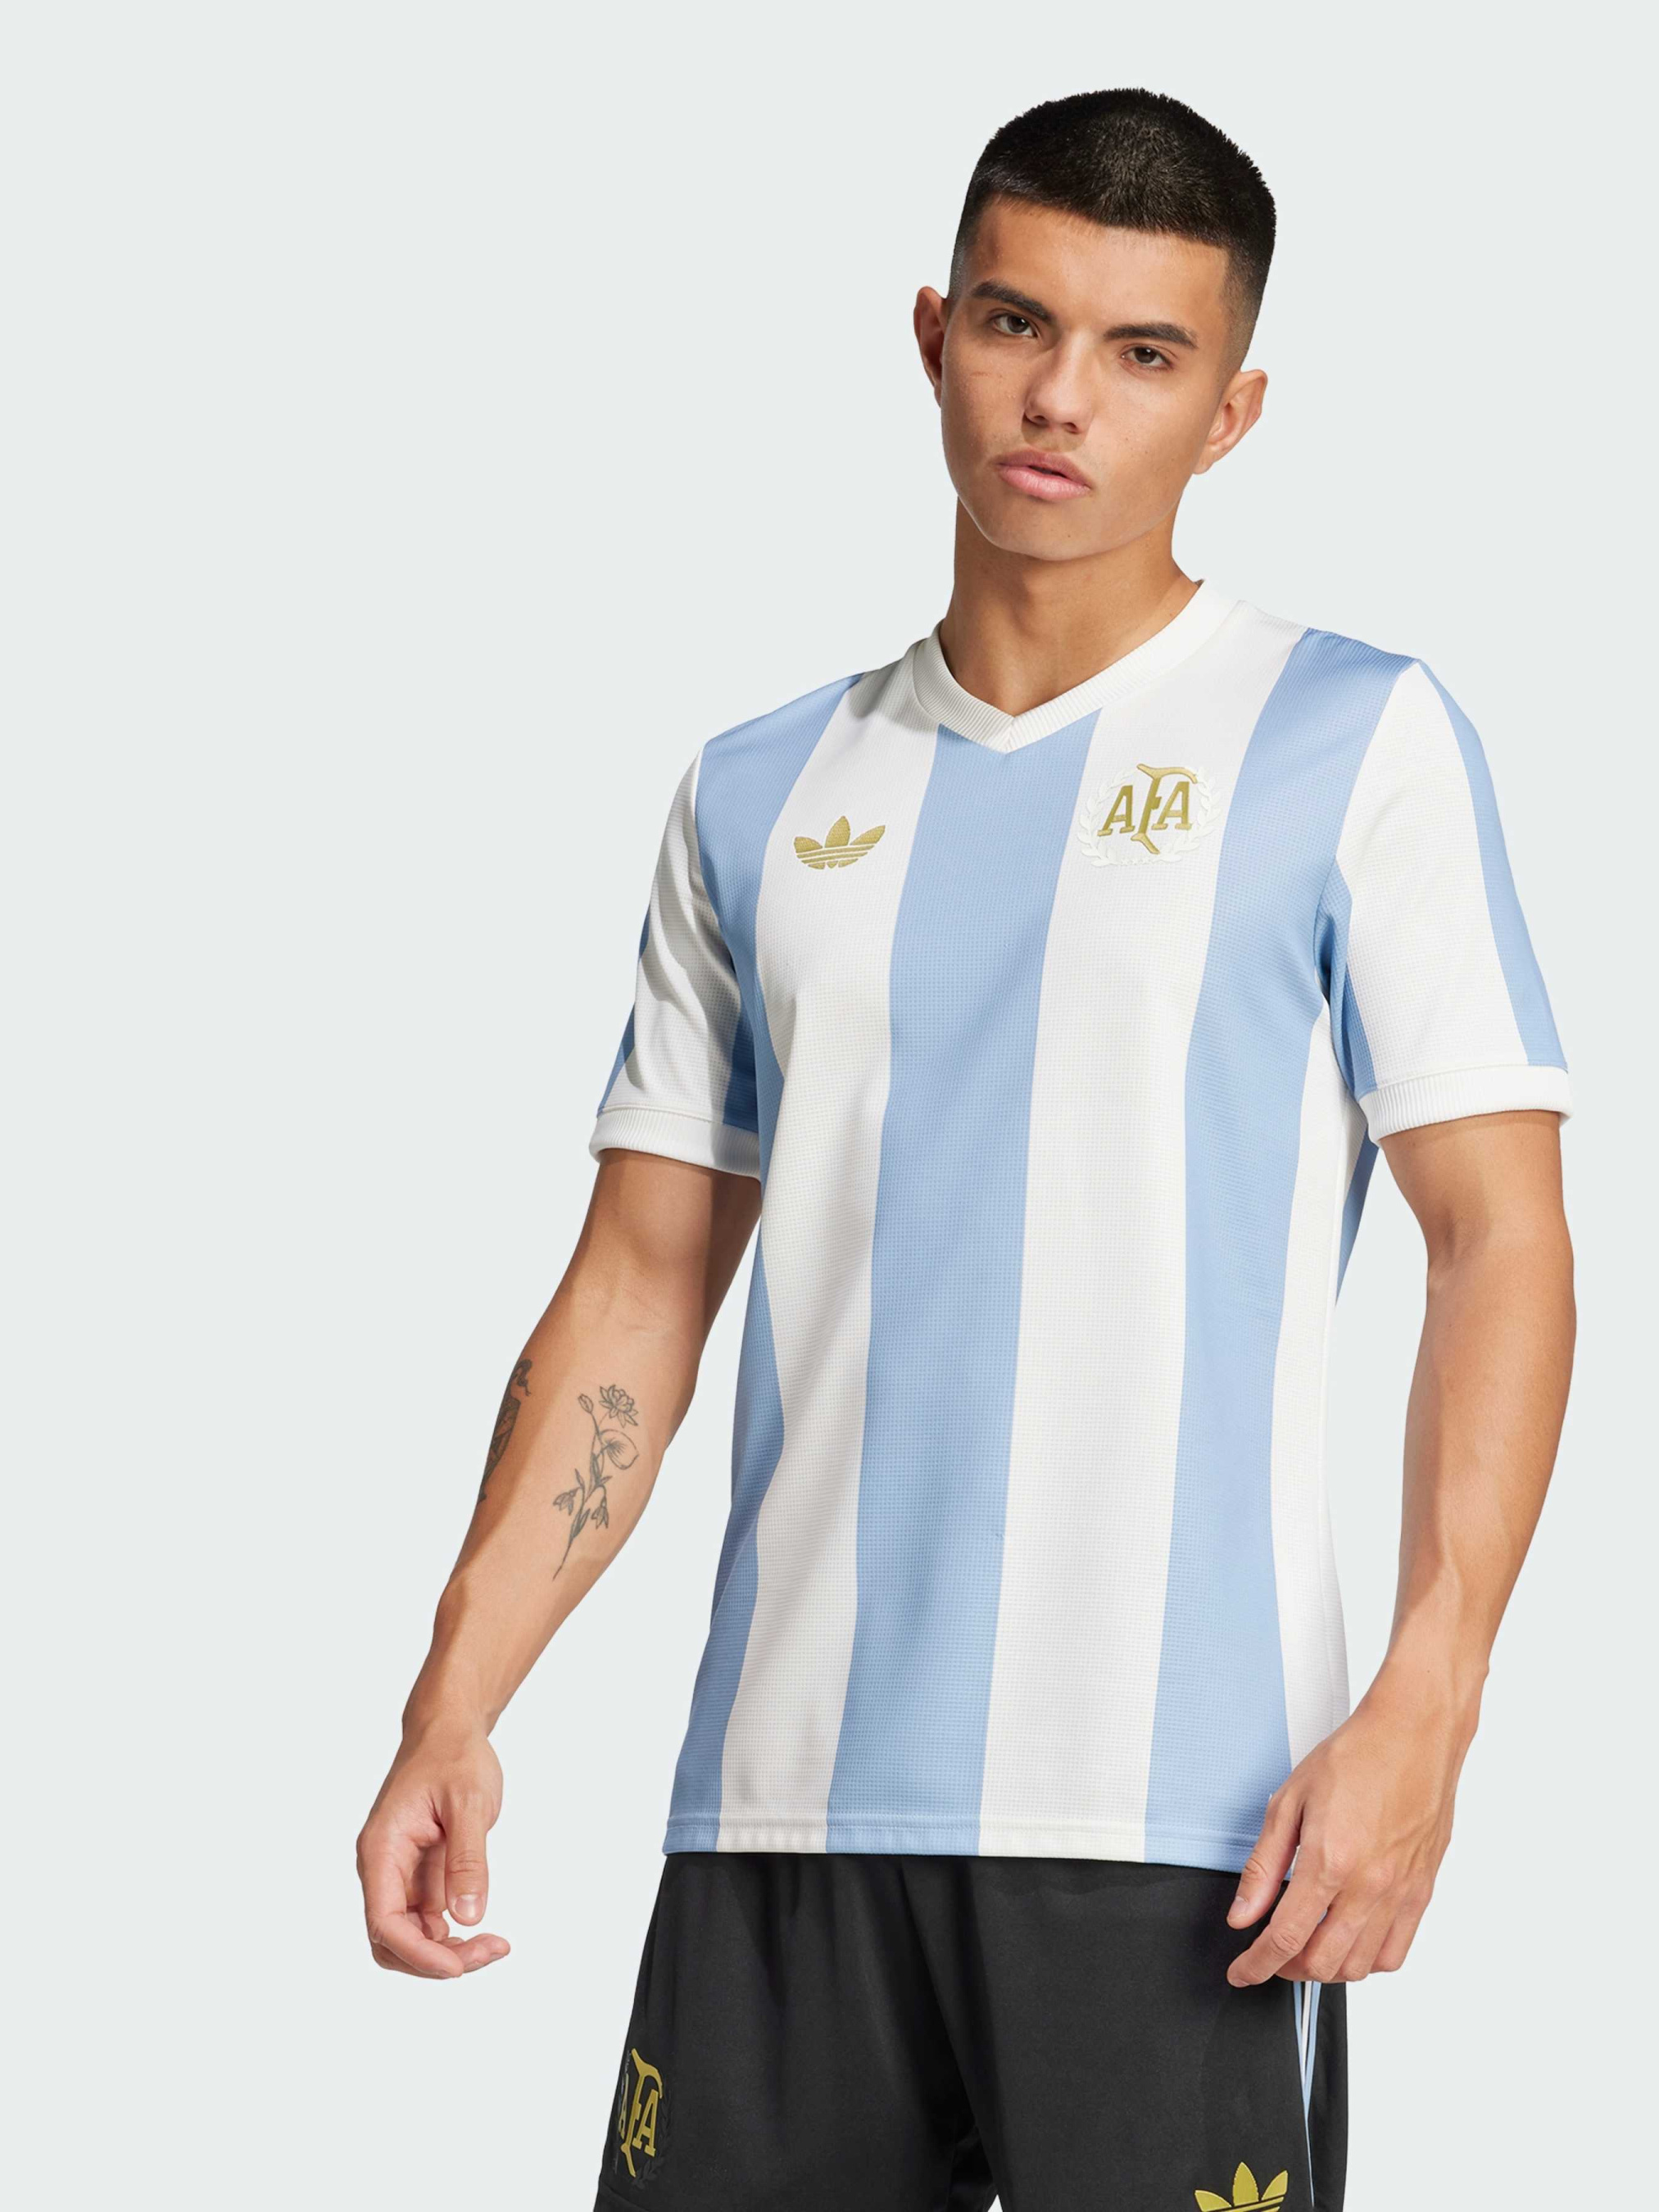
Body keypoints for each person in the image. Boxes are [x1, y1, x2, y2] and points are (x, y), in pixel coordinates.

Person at [356, 88, 1575, 2212]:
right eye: (1018, 322)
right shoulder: (761, 787)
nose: (1060, 397)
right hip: (776, 1820)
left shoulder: (1351, 738)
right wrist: (453, 1698)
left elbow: (1500, 1241)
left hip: (1192, 1831)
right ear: (933, 334)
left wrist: (1431, 1702)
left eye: (1142, 351)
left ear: (1231, 409)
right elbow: (639, 1280)